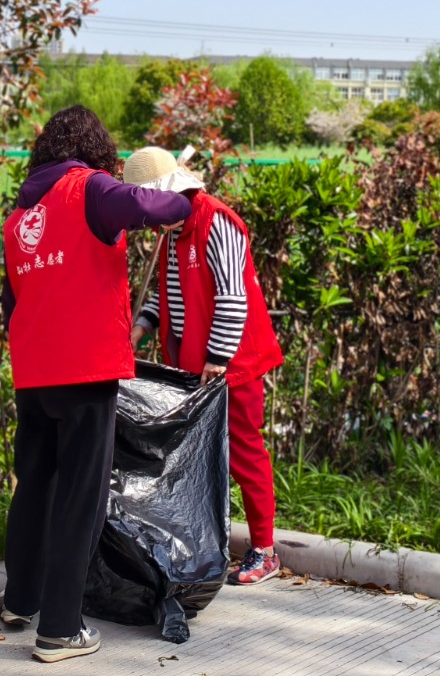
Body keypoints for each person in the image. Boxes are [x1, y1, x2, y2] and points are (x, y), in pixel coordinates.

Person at [0, 107, 192, 664]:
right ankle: (60, 630)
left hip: (33, 371)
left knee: (34, 485)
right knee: (80, 497)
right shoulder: (89, 188)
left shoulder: (20, 214)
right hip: (84, 369)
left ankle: (20, 601)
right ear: (94, 149)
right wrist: (181, 191)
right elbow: (156, 207)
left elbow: (11, 302)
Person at [123, 146, 285, 585]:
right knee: (201, 459)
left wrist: (216, 360)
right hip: (194, 367)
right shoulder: (172, 232)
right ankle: (209, 545)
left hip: (232, 363)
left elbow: (233, 297)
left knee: (245, 452)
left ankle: (265, 549)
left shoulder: (216, 222)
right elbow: (166, 292)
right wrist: (140, 327)